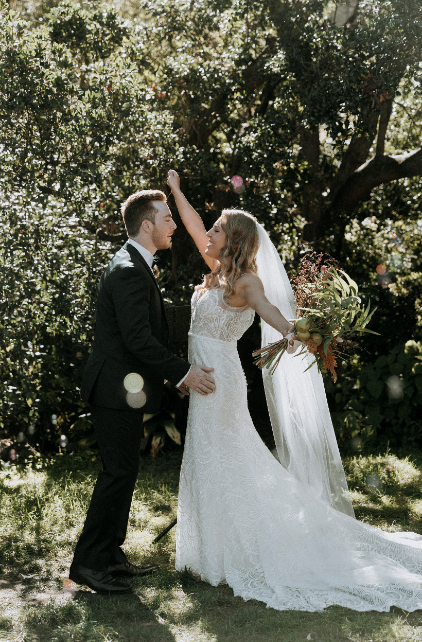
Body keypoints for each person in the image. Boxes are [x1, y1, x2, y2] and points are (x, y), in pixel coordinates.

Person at [167, 169, 422, 613]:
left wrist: (310, 333)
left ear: (234, 242)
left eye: (217, 229)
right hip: (203, 376)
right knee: (211, 458)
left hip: (221, 381)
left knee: (227, 458)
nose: (207, 233)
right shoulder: (216, 271)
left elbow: (275, 318)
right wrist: (176, 191)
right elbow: (192, 227)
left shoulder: (246, 283)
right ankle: (213, 554)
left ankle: (245, 549)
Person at [69, 189, 215, 594]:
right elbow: (138, 340)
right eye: (167, 219)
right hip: (113, 390)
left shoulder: (135, 262)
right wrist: (183, 372)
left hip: (121, 389)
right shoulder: (129, 268)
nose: (174, 226)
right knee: (117, 473)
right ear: (146, 225)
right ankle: (87, 564)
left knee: (125, 471)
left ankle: (110, 555)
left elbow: (148, 327)